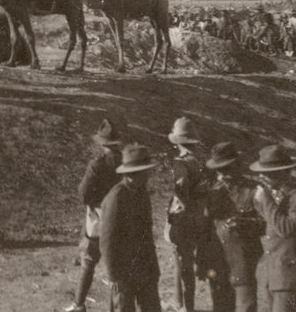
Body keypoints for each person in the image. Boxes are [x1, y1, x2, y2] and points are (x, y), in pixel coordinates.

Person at [64, 119, 124, 312]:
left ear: (102, 142)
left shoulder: (97, 165)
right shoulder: (126, 162)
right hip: (121, 220)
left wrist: (94, 204)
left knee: (89, 262)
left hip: (98, 219)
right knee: (116, 268)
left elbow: (83, 194)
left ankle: (79, 304)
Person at [252, 145, 296, 312]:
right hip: (273, 275)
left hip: (289, 275)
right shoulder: (277, 196)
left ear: (281, 173)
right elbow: (271, 224)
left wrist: (266, 201)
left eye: (266, 173)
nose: (261, 177)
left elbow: (287, 229)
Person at [100, 143, 161, 312]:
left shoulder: (142, 192)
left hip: (145, 268)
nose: (149, 174)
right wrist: (114, 277)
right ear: (134, 173)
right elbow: (107, 241)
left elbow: (147, 234)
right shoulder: (116, 198)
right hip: (123, 272)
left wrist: (153, 268)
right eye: (145, 171)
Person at [205, 141, 264, 312]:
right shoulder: (212, 192)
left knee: (246, 306)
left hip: (243, 261)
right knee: (220, 307)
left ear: (237, 165)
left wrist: (245, 224)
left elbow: (267, 223)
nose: (222, 174)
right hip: (218, 261)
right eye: (219, 170)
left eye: (226, 169)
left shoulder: (253, 190)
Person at [165, 116, 211, 312]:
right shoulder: (201, 162)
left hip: (184, 220)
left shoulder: (181, 163)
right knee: (186, 261)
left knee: (183, 263)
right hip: (200, 217)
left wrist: (178, 207)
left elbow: (181, 190)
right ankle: (181, 302)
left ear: (178, 142)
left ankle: (186, 307)